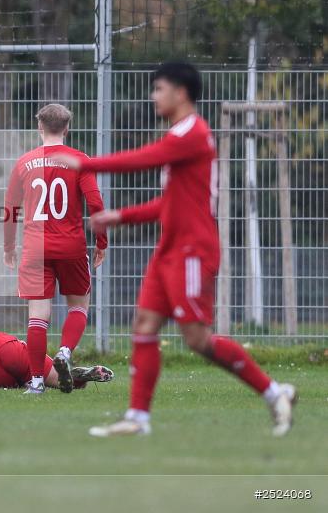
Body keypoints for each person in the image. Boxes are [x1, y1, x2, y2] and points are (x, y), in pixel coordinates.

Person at [52, 62, 296, 437]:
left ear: (180, 92)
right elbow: (170, 204)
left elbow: (143, 159)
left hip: (192, 253)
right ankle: (138, 418)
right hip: (169, 251)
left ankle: (274, 392)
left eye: (159, 88)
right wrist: (120, 216)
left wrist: (87, 163)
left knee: (197, 340)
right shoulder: (180, 134)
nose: (154, 96)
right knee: (145, 325)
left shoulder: (193, 133)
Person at [3, 103, 108, 394]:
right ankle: (64, 352)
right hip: (71, 246)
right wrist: (102, 242)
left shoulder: (24, 162)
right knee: (78, 306)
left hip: (35, 249)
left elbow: (10, 208)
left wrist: (9, 246)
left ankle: (36, 381)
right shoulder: (78, 160)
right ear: (67, 128)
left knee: (38, 315)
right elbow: (96, 203)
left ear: (39, 127)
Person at [0, 321, 113, 390]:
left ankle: (24, 382)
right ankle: (77, 376)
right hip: (6, 346)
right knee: (56, 378)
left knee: (11, 383)